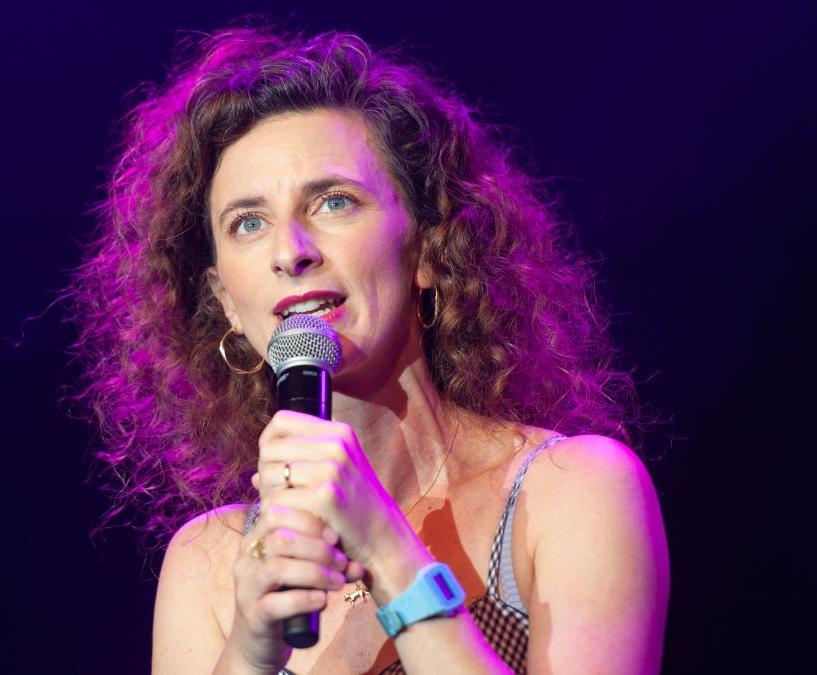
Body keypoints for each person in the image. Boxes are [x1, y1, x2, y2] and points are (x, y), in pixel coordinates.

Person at [70, 24, 668, 674]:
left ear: (430, 251)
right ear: (228, 305)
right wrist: (248, 648)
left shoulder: (572, 491)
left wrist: (386, 545)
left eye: (332, 201)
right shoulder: (210, 564)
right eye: (248, 222)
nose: (290, 250)